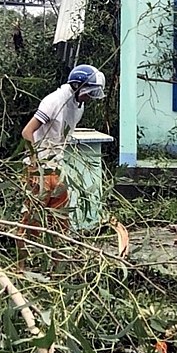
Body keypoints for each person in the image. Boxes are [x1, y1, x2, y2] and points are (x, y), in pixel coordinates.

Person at [19, 64, 106, 240]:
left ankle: (57, 261)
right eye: (88, 92)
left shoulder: (78, 105)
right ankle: (20, 266)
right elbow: (27, 132)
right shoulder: (54, 101)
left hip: (56, 166)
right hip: (41, 167)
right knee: (32, 221)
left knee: (60, 220)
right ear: (77, 86)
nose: (90, 97)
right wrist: (36, 166)